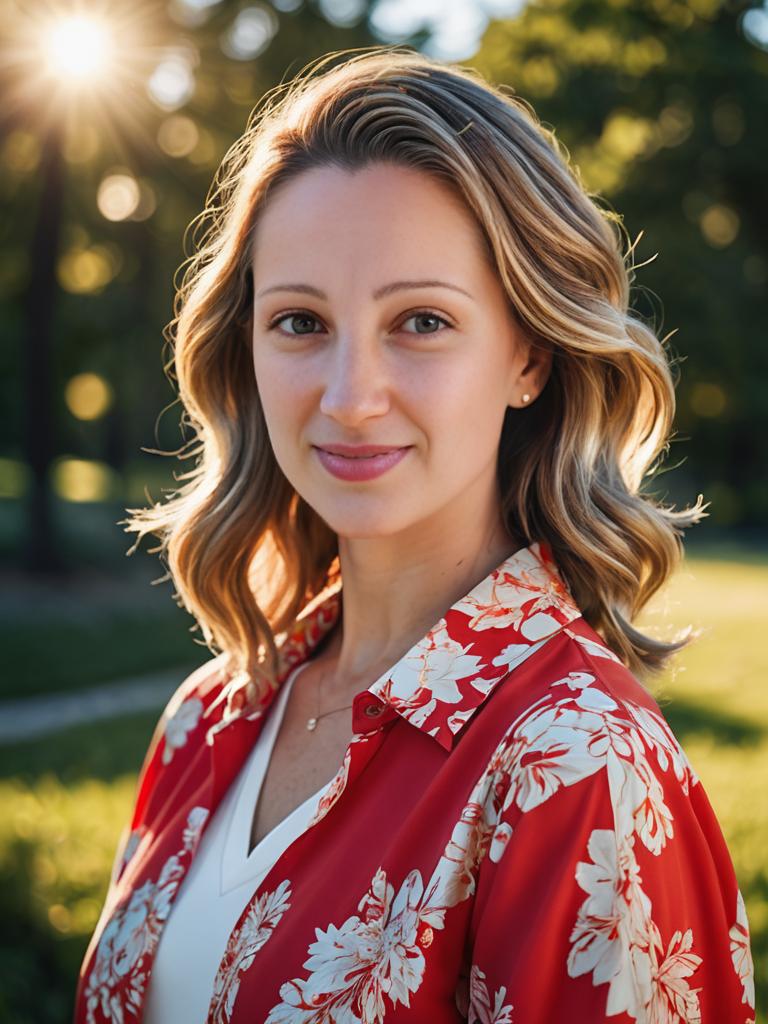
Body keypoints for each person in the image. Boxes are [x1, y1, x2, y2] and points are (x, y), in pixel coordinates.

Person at [73, 47, 755, 1024]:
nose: (350, 397)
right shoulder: (210, 716)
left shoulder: (580, 766)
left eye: (422, 320)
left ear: (530, 354)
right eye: (300, 322)